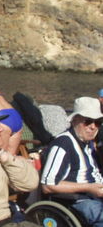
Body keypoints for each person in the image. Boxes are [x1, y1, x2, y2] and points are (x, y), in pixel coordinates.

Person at [41, 97, 103, 226]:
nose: (93, 127)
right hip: (79, 200)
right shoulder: (63, 144)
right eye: (88, 121)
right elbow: (48, 185)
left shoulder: (88, 143)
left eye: (97, 122)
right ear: (75, 120)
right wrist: (90, 188)